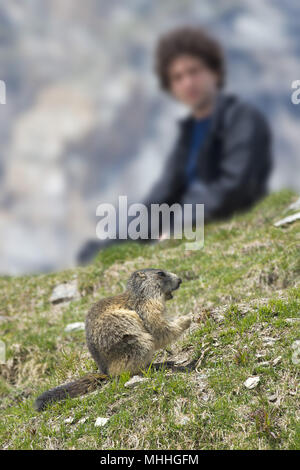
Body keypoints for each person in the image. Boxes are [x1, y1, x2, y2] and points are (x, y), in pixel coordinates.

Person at [78, 26, 272, 264]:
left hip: (230, 232)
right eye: (177, 77)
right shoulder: (188, 134)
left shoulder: (242, 118)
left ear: (215, 73)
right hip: (192, 231)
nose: (187, 82)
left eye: (194, 71)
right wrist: (109, 248)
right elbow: (161, 198)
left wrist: (180, 225)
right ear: (171, 87)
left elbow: (236, 186)